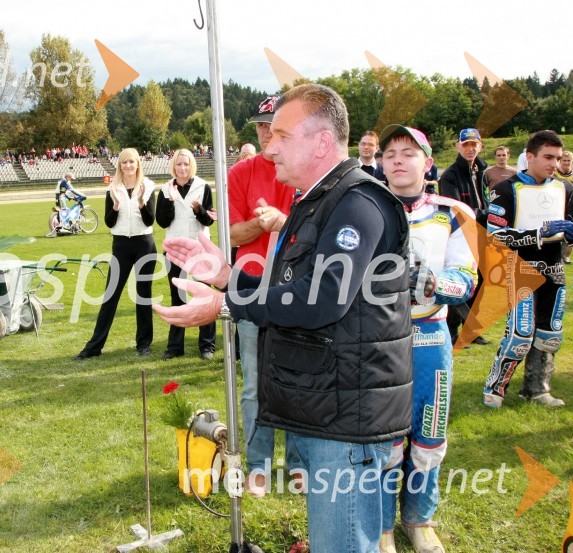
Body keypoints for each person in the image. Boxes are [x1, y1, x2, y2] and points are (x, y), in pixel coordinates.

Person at [154, 84, 413, 552]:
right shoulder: (316, 200)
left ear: (320, 143)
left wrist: (226, 305)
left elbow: (323, 299)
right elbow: (289, 292)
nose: (269, 147)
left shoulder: (357, 202)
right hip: (331, 408)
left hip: (348, 418)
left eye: (281, 135)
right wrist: (226, 274)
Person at [377, 125, 478, 553]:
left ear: (428, 161)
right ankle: (381, 526)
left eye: (409, 152)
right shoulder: (367, 208)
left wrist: (435, 282)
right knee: (383, 438)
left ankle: (419, 519)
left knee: (429, 432)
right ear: (381, 162)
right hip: (379, 340)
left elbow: (469, 276)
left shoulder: (455, 211)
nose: (398, 159)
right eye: (390, 152)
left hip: (431, 334)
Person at [227, 94, 297, 498]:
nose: (267, 132)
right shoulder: (241, 172)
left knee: (298, 378)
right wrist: (263, 223)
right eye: (261, 125)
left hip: (296, 282)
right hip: (251, 282)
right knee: (254, 382)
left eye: (275, 124)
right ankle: (258, 467)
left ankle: (300, 464)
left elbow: (313, 230)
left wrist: (281, 221)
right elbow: (234, 235)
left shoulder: (303, 170)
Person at [483, 130, 573, 408]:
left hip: (554, 268)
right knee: (520, 335)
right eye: (548, 157)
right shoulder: (506, 188)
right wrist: (539, 232)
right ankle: (495, 387)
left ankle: (536, 389)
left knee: (550, 334)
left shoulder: (566, 188)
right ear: (530, 156)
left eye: (558, 158)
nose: (554, 163)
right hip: (519, 269)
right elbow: (494, 235)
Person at [74, 148, 157, 359]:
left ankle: (144, 344)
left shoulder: (147, 187)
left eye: (132, 162)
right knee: (110, 296)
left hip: (144, 245)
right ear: (119, 165)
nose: (128, 166)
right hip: (121, 245)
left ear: (138, 164)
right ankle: (94, 346)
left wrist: (140, 202)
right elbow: (109, 222)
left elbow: (150, 221)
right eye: (124, 162)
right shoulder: (113, 189)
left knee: (143, 296)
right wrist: (117, 206)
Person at [155, 149, 216, 360]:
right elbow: (162, 221)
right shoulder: (165, 188)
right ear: (174, 166)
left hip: (200, 249)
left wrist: (199, 209)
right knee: (177, 297)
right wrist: (171, 201)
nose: (183, 168)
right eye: (179, 164)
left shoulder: (202, 186)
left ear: (192, 166)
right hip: (175, 249)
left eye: (186, 164)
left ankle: (207, 345)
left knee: (205, 296)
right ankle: (174, 347)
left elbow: (209, 220)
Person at [438, 128, 489, 346]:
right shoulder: (450, 174)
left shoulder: (484, 169)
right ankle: (451, 330)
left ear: (480, 145)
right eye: (466, 144)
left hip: (484, 233)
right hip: (462, 236)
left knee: (481, 283)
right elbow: (456, 209)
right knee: (460, 282)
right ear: (458, 146)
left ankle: (470, 329)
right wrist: (487, 214)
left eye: (474, 144)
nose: (470, 148)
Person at [554, 151, 573, 264]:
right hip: (558, 206)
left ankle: (566, 256)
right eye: (564, 160)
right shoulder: (554, 174)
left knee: (571, 231)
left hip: (572, 207)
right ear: (560, 161)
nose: (566, 163)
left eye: (568, 161)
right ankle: (555, 254)